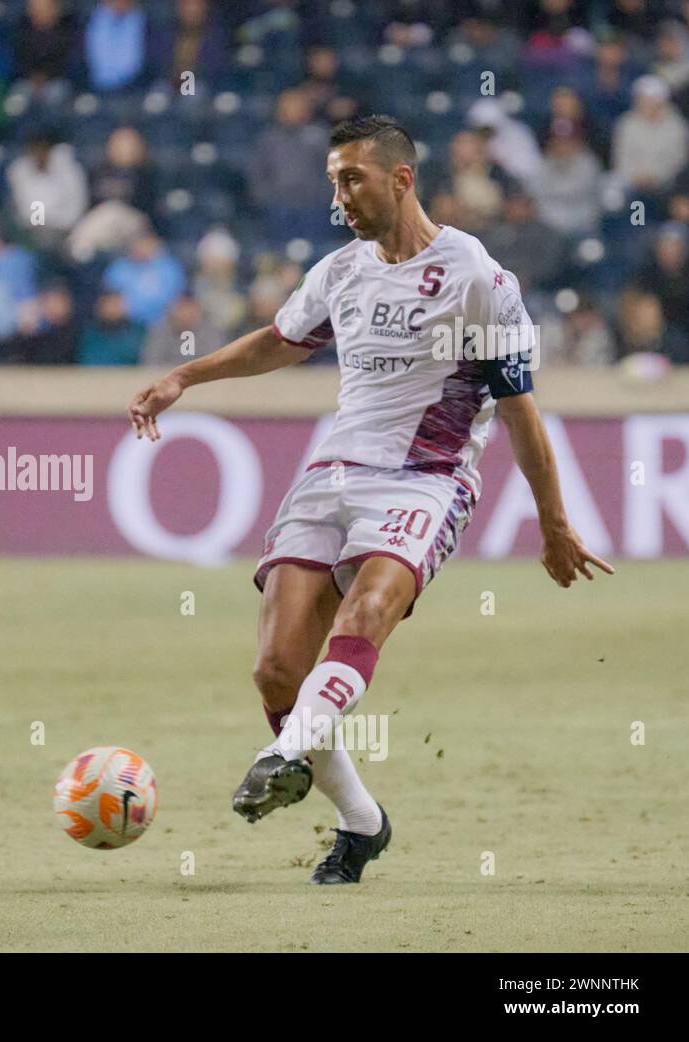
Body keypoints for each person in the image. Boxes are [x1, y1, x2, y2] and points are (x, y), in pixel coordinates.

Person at [126, 115, 614, 885]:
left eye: (352, 179)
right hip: (331, 476)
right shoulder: (342, 270)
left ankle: (284, 757)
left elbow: (520, 410)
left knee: (366, 616)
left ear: (401, 178)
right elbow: (281, 341)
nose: (340, 197)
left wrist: (554, 523)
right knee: (276, 673)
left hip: (426, 477)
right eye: (332, 182)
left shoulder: (477, 278)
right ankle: (362, 822)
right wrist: (186, 377)